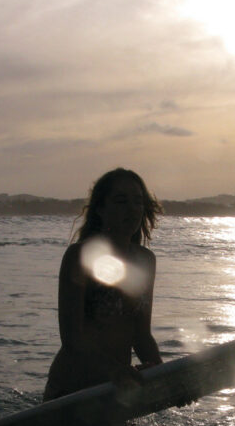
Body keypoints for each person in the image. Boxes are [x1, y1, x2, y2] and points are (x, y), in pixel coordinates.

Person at [43, 168, 164, 402]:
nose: (132, 209)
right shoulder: (79, 256)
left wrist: (163, 377)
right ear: (100, 209)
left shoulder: (146, 260)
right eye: (120, 201)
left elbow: (141, 336)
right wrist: (114, 371)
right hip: (71, 390)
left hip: (116, 392)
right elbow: (72, 339)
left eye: (138, 201)